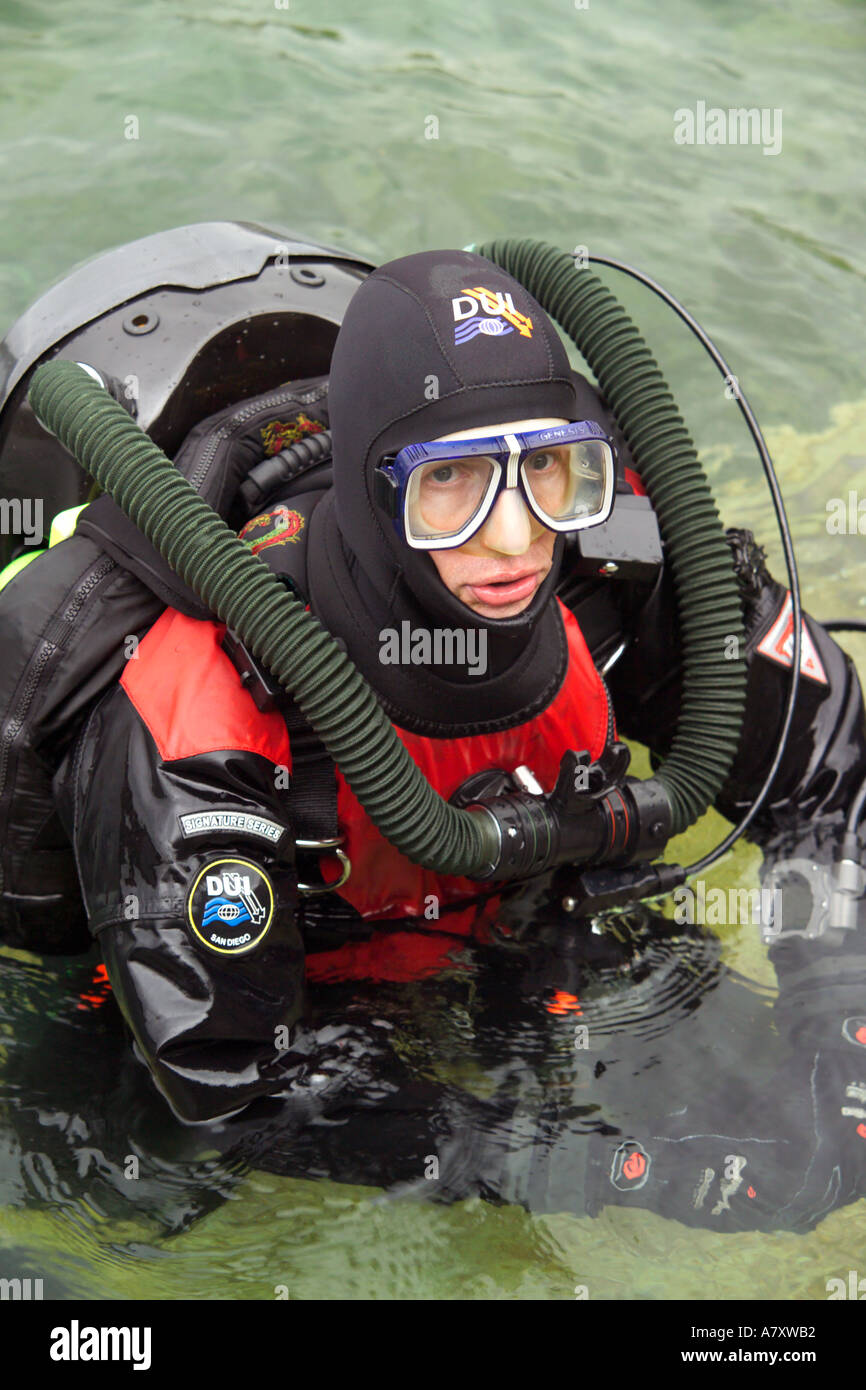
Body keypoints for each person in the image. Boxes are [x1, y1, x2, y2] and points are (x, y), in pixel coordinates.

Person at [50, 250, 866, 1231]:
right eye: (455, 483)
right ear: (369, 486)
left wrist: (838, 1014)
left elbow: (824, 764)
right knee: (133, 1201)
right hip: (296, 1004)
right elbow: (224, 1085)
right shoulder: (202, 704)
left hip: (526, 928)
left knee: (790, 1135)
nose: (517, 537)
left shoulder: (601, 584)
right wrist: (592, 1168)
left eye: (549, 471)